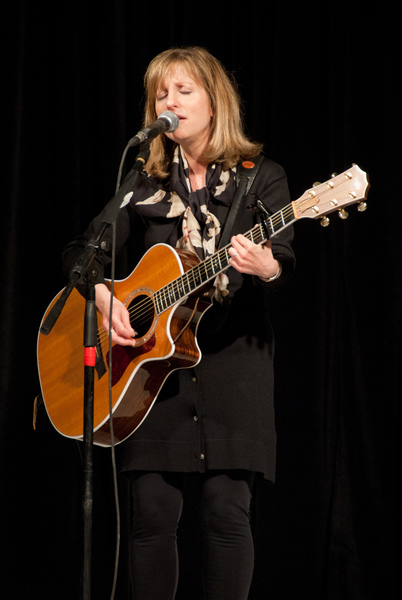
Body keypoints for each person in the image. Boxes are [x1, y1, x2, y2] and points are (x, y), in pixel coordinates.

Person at [63, 46, 295, 600]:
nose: (170, 102)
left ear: (216, 103)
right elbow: (82, 255)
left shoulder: (260, 177)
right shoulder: (143, 185)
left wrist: (266, 266)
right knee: (153, 513)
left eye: (183, 91)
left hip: (234, 362)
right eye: (161, 94)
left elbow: (281, 258)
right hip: (151, 376)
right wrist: (103, 297)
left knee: (225, 511)